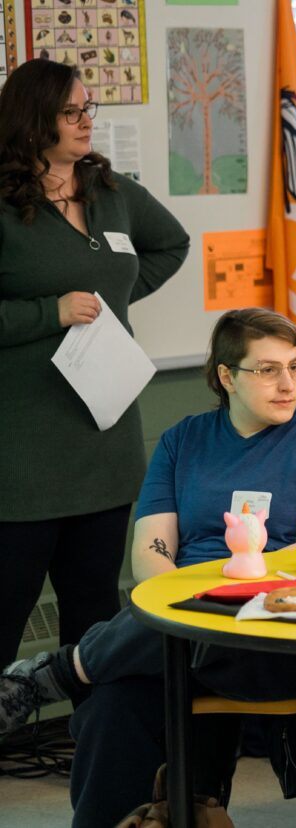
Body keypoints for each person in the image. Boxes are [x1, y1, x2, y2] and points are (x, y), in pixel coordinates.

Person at [0, 309, 296, 826]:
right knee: (113, 708)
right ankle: (182, 803)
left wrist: (223, 587)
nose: (288, 383)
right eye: (267, 369)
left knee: (182, 639)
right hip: (180, 627)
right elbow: (151, 553)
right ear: (226, 376)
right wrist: (191, 599)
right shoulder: (184, 439)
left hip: (284, 629)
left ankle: (60, 673)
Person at [0, 58, 190, 665]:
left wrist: (112, 301)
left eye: (90, 110)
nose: (87, 122)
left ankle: (91, 749)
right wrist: (47, 315)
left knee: (94, 621)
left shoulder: (110, 191)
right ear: (33, 122)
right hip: (22, 454)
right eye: (72, 112)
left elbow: (172, 243)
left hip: (104, 442)